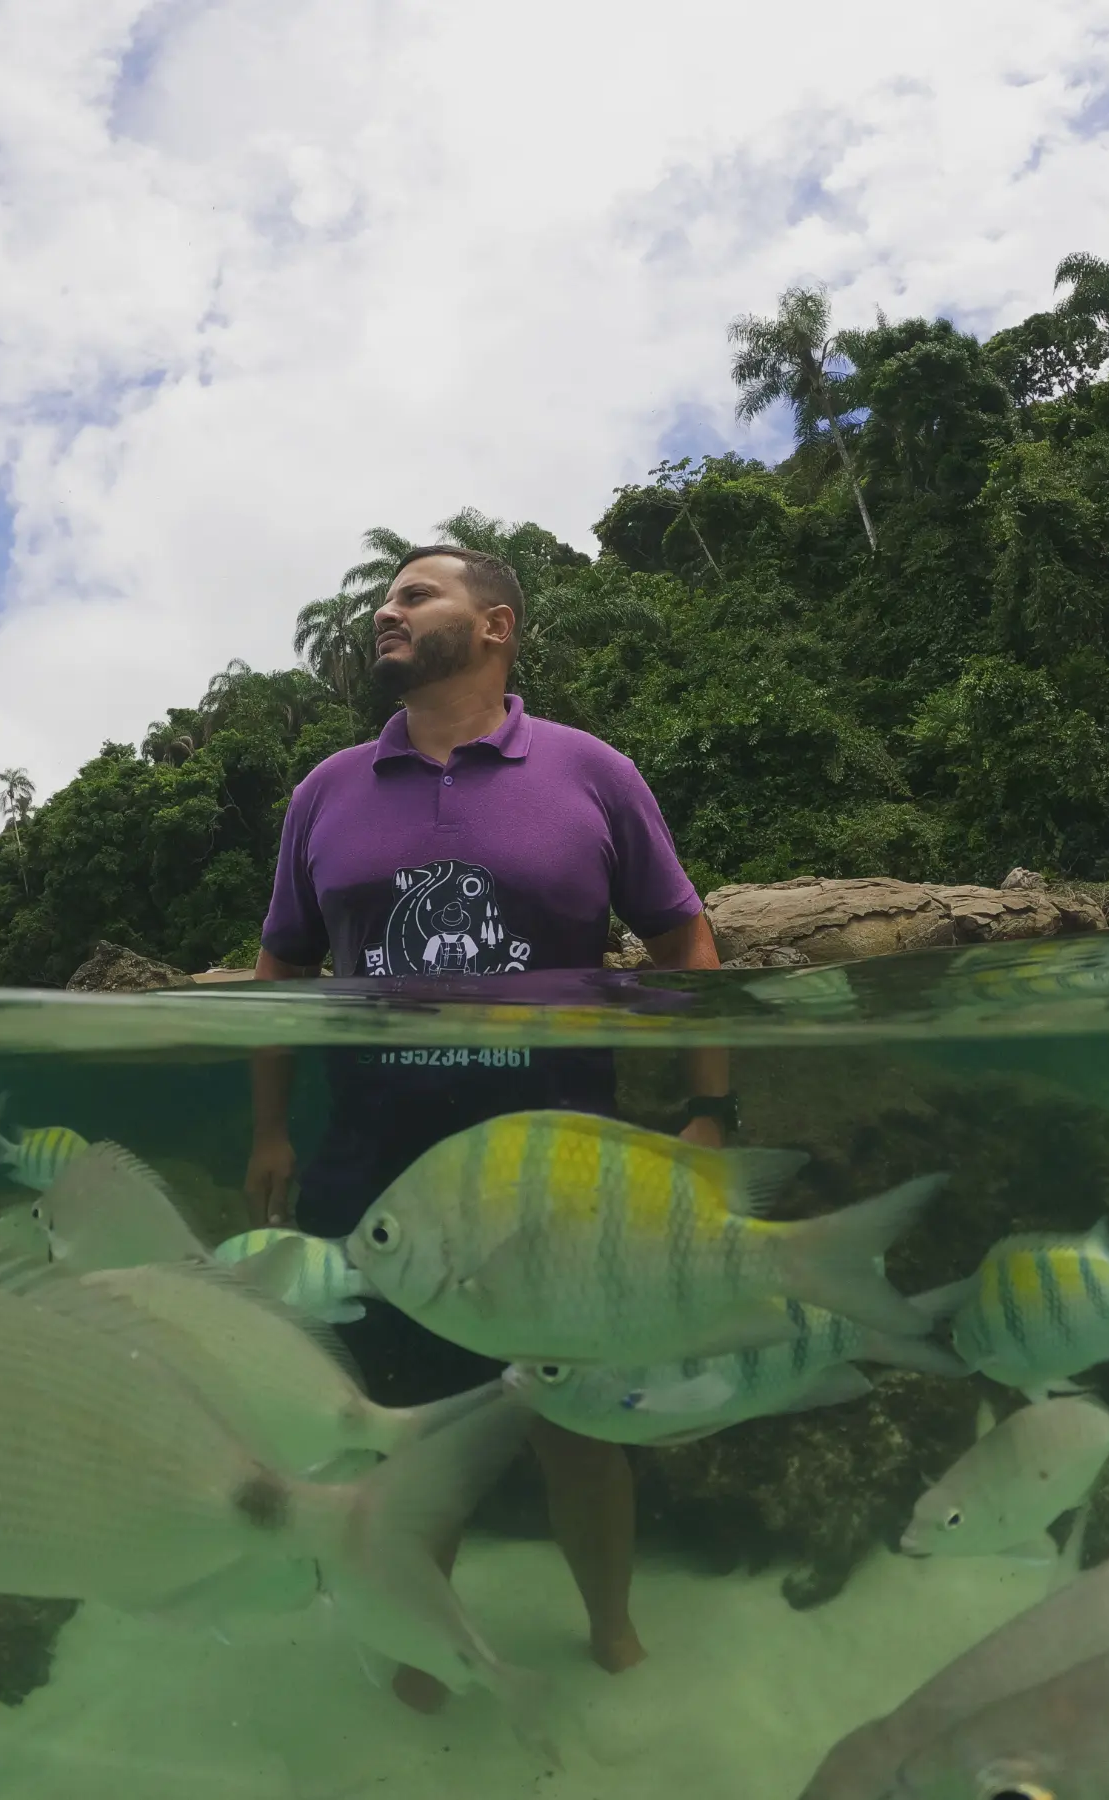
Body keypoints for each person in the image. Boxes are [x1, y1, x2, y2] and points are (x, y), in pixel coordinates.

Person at [245, 545, 733, 1704]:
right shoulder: (326, 792)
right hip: (379, 1175)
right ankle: (423, 1653)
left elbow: (685, 941)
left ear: (498, 623)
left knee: (581, 1423)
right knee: (404, 1434)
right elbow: (280, 964)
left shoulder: (591, 772)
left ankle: (610, 1631)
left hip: (561, 1167)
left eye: (416, 593)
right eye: (386, 596)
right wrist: (270, 1129)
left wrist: (711, 1107)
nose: (386, 610)